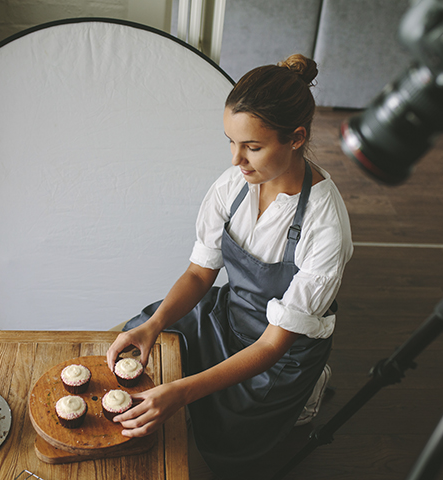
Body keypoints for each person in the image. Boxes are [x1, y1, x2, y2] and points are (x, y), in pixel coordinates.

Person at [106, 53, 353, 477]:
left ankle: (307, 390)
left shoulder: (325, 225)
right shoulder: (236, 183)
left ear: (296, 138)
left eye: (252, 147)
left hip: (282, 349)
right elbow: (202, 273)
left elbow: (273, 345)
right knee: (142, 331)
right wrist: (154, 323)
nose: (236, 160)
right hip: (230, 314)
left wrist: (180, 393)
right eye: (231, 142)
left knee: (230, 432)